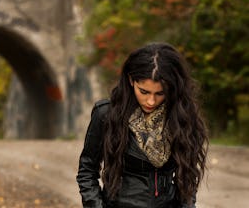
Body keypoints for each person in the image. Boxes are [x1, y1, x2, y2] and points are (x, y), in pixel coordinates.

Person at [76, 42, 209, 208]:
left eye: (160, 93)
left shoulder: (182, 117)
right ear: (131, 80)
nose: (151, 101)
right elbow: (87, 170)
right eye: (144, 92)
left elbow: (187, 179)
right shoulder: (107, 114)